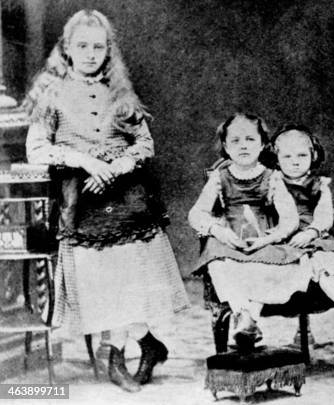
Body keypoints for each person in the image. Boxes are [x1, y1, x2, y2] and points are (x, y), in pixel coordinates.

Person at [25, 9, 189, 392]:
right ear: (67, 48)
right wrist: (84, 161)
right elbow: (36, 149)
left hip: (126, 199)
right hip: (81, 203)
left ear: (108, 50)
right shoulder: (52, 95)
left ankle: (118, 357)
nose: (89, 53)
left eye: (98, 46)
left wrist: (117, 166)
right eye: (81, 45)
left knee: (132, 281)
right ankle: (149, 346)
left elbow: (145, 143)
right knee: (102, 285)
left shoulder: (120, 92)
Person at [188, 113, 312, 348]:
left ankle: (246, 318)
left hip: (262, 240)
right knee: (219, 263)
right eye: (235, 141)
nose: (243, 146)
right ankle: (246, 318)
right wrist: (219, 231)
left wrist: (270, 239)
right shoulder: (219, 177)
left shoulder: (273, 177)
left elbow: (290, 220)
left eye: (250, 140)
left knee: (274, 267)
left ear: (263, 144)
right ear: (225, 146)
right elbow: (196, 214)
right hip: (230, 239)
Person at [270, 124, 334, 331]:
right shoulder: (272, 182)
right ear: (276, 158)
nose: (295, 162)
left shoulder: (319, 184)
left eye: (301, 155)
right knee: (309, 262)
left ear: (313, 155)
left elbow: (324, 215)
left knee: (320, 259)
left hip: (316, 232)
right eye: (287, 157)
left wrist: (312, 231)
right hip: (286, 234)